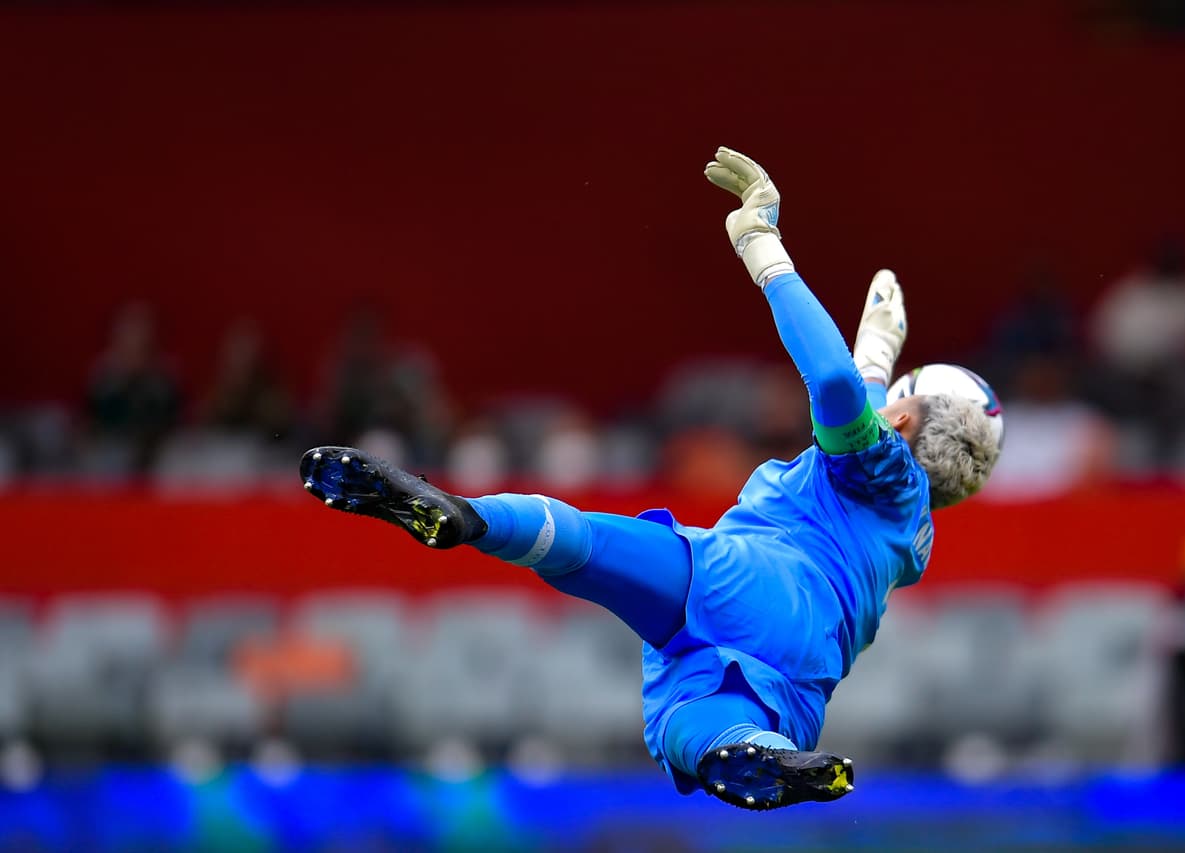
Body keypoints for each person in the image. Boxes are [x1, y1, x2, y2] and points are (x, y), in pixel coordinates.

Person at [299, 148, 1000, 809]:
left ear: (901, 418)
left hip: (753, 581)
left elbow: (838, 387)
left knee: (584, 543)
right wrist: (879, 349)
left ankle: (465, 516)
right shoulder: (911, 529)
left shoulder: (882, 464)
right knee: (687, 727)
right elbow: (869, 406)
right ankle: (755, 753)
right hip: (801, 673)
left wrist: (763, 245)